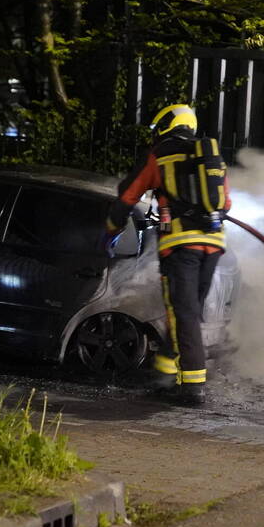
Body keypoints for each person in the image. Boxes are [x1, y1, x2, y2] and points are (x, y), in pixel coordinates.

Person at [105, 104, 232, 405]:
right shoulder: (208, 155)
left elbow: (127, 195)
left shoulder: (161, 154)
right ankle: (165, 372)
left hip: (180, 246)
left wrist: (111, 230)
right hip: (213, 245)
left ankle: (192, 386)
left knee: (182, 313)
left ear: (165, 124)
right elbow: (226, 204)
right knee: (188, 310)